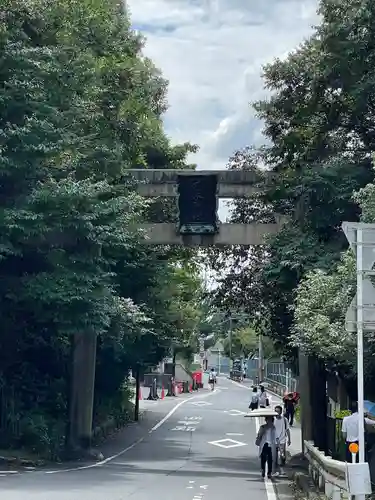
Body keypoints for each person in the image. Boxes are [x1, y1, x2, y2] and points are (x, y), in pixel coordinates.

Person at [274, 405, 291, 472]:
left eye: (278, 411)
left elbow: (287, 430)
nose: (277, 412)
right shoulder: (272, 419)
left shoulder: (284, 420)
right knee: (274, 453)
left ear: (281, 412)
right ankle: (275, 465)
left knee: (282, 454)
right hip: (274, 439)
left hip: (282, 439)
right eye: (275, 411)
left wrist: (289, 439)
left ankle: (283, 465)